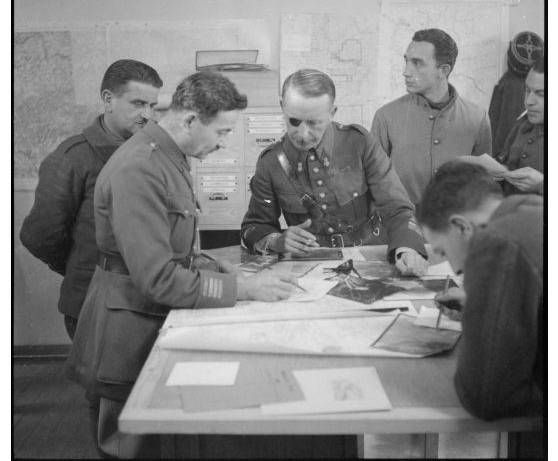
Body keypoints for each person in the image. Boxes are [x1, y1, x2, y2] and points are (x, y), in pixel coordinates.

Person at [65, 71, 299, 458]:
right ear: (190, 120)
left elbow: (177, 251)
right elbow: (157, 277)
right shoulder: (139, 167)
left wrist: (226, 271)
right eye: (222, 132)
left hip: (146, 318)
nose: (225, 144)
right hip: (126, 333)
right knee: (131, 448)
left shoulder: (168, 157)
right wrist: (243, 289)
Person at [20, 59, 163, 340]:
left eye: (152, 105)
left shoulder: (152, 151)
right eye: (137, 103)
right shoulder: (72, 157)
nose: (147, 114)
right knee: (106, 385)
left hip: (145, 298)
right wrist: (81, 267)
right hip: (94, 303)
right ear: (108, 100)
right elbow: (39, 235)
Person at [241, 68, 428, 276]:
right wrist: (277, 241)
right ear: (282, 107)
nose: (303, 134)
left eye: (314, 122)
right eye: (294, 121)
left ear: (332, 113)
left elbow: (397, 207)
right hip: (309, 266)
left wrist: (407, 249)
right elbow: (255, 226)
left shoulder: (359, 143)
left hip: (370, 255)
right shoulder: (271, 162)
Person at [417, 161, 543, 421]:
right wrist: (483, 304)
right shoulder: (534, 210)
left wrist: (483, 316)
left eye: (442, 251)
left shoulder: (499, 240)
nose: (454, 268)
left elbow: (486, 397)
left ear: (462, 227)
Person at [371, 28, 492, 207]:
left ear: (443, 70)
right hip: (402, 229)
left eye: (417, 63)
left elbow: (484, 184)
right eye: (406, 61)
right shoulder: (386, 117)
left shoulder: (477, 118)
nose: (406, 71)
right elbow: (374, 182)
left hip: (456, 227)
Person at [497, 55, 545, 195]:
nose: (529, 101)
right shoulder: (522, 125)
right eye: (527, 90)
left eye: (541, 94)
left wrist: (541, 185)